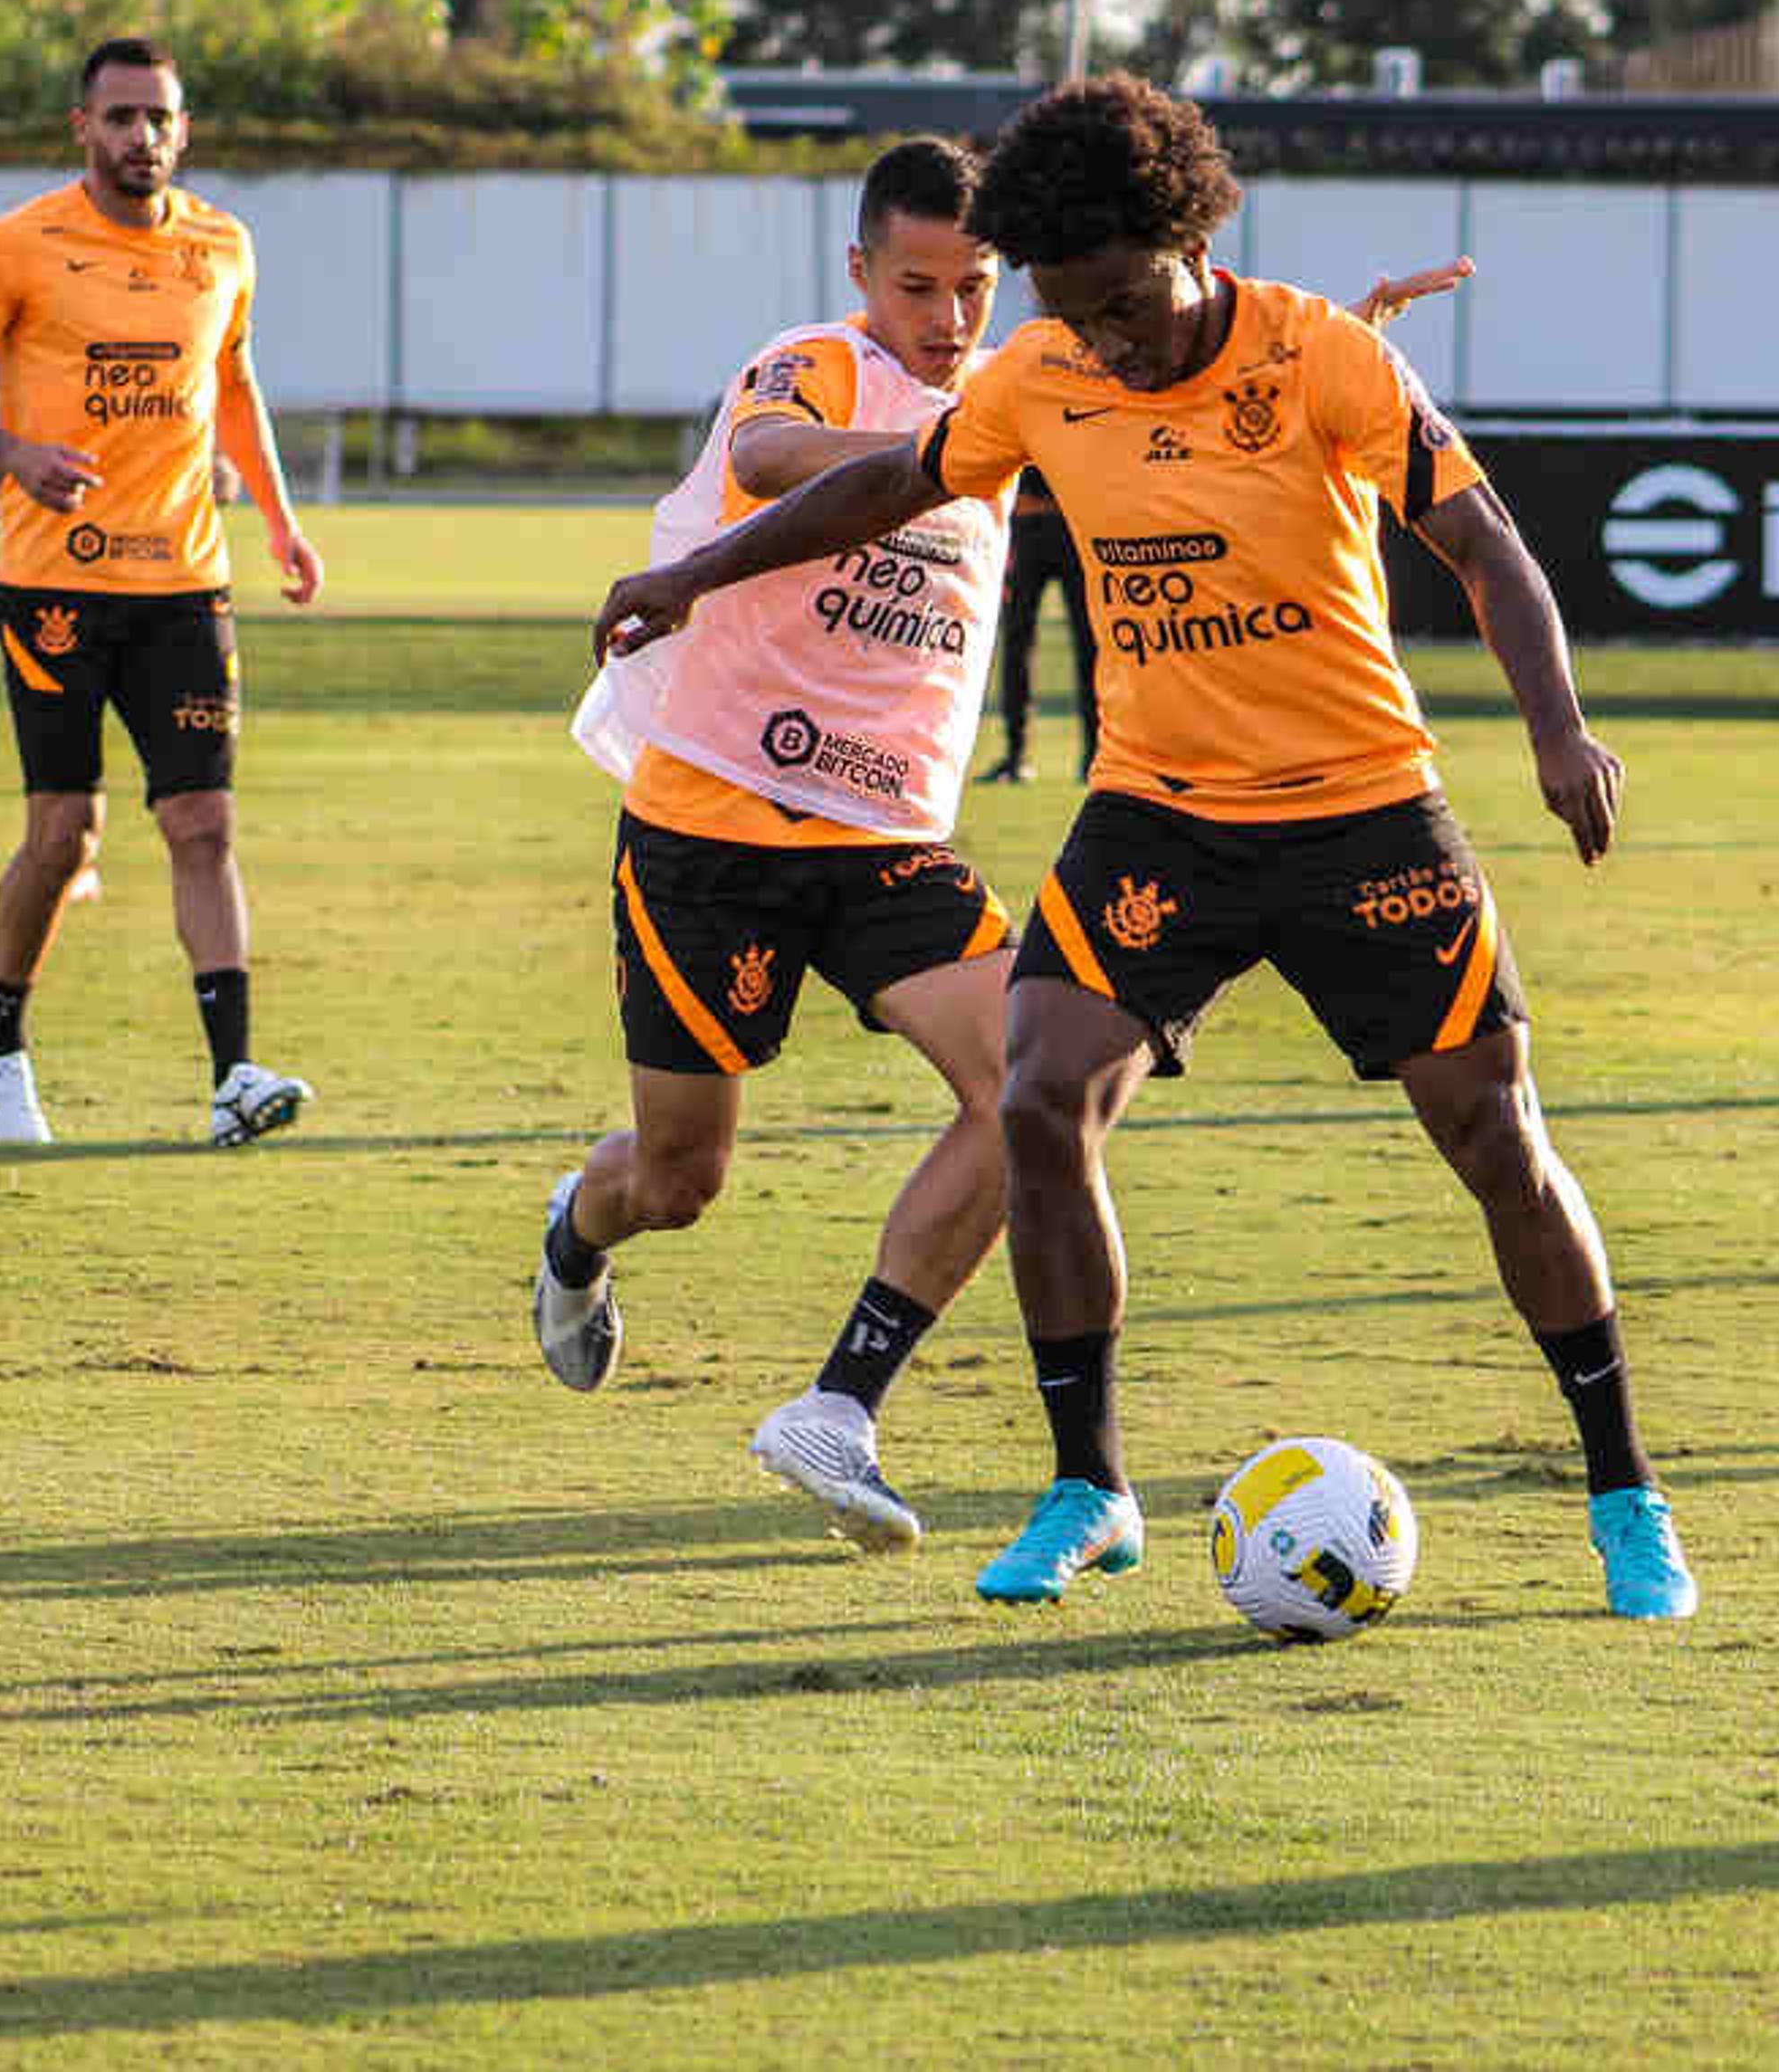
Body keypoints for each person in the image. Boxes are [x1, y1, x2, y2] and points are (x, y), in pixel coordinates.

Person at [596, 79, 1696, 1620]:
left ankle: (1626, 1491)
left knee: (1493, 1134)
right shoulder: (1043, 368)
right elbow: (887, 483)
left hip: (1358, 801)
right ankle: (1087, 1484)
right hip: (1160, 808)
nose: (1098, 342)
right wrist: (697, 569)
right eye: (1069, 314)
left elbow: (1485, 540)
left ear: (1187, 237)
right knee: (1040, 1096)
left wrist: (1557, 727)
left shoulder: (1323, 352)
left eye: (1117, 305)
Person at [538, 138, 1473, 1553]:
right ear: (861, 273)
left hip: (889, 842)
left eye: (973, 286)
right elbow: (767, 456)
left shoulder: (1039, 378)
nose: (947, 313)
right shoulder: (823, 362)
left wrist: (1341, 328)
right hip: (711, 821)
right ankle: (575, 1233)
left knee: (1030, 1093)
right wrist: (962, 449)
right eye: (916, 284)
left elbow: (1206, 383)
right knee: (679, 1179)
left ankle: (841, 1401)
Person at [0, 35, 325, 1146]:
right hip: (52, 587)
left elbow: (232, 385)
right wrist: (11, 455)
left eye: (161, 118)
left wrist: (280, 522)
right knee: (65, 835)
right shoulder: (20, 246)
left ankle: (234, 1076)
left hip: (186, 580)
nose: (144, 137)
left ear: (184, 131)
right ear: (81, 128)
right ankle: (0, 1040)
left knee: (204, 821)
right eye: (122, 117)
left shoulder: (224, 247)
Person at [0, 450, 249, 908]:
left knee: (190, 792)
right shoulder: (58, 396)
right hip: (60, 586)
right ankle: (71, 858)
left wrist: (215, 473)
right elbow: (17, 433)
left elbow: (216, 466)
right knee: (66, 781)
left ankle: (78, 858)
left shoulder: (168, 396)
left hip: (161, 599)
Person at [981, 469, 1093, 783]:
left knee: (1091, 648)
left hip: (1074, 527)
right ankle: (1016, 757)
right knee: (1017, 644)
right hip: (1027, 528)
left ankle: (1095, 757)